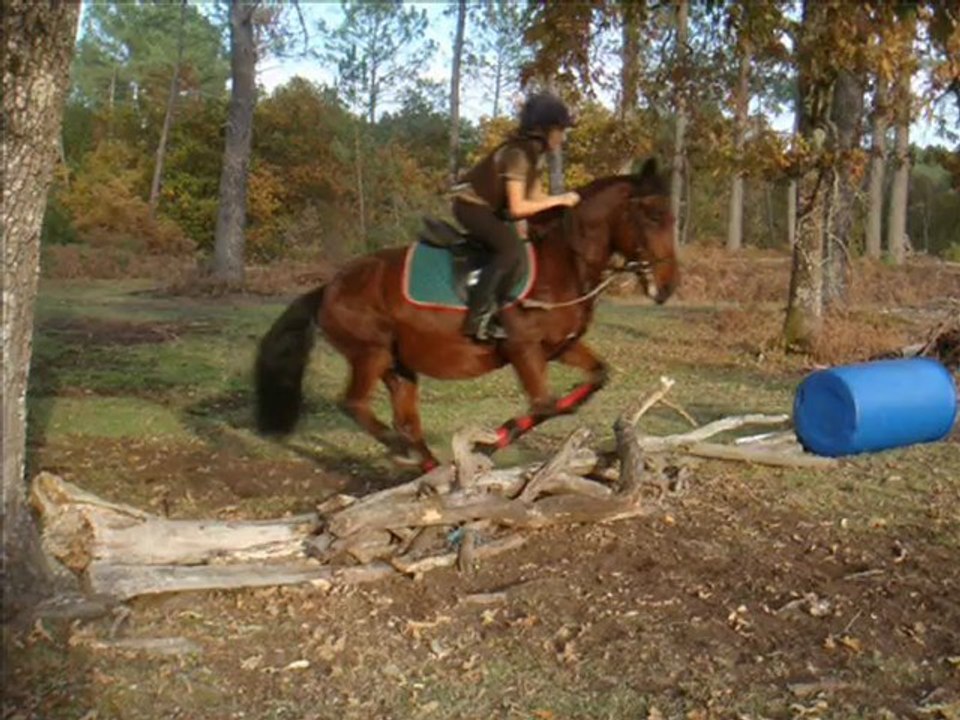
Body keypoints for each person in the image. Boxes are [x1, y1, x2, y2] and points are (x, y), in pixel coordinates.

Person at [450, 92, 581, 341]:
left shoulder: (533, 155)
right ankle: (477, 319)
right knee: (510, 251)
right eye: (560, 130)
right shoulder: (517, 156)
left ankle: (504, 306)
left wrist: (562, 203)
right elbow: (519, 208)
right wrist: (560, 199)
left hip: (489, 209)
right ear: (543, 129)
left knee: (522, 249)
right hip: (470, 206)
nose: (563, 137)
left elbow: (536, 198)